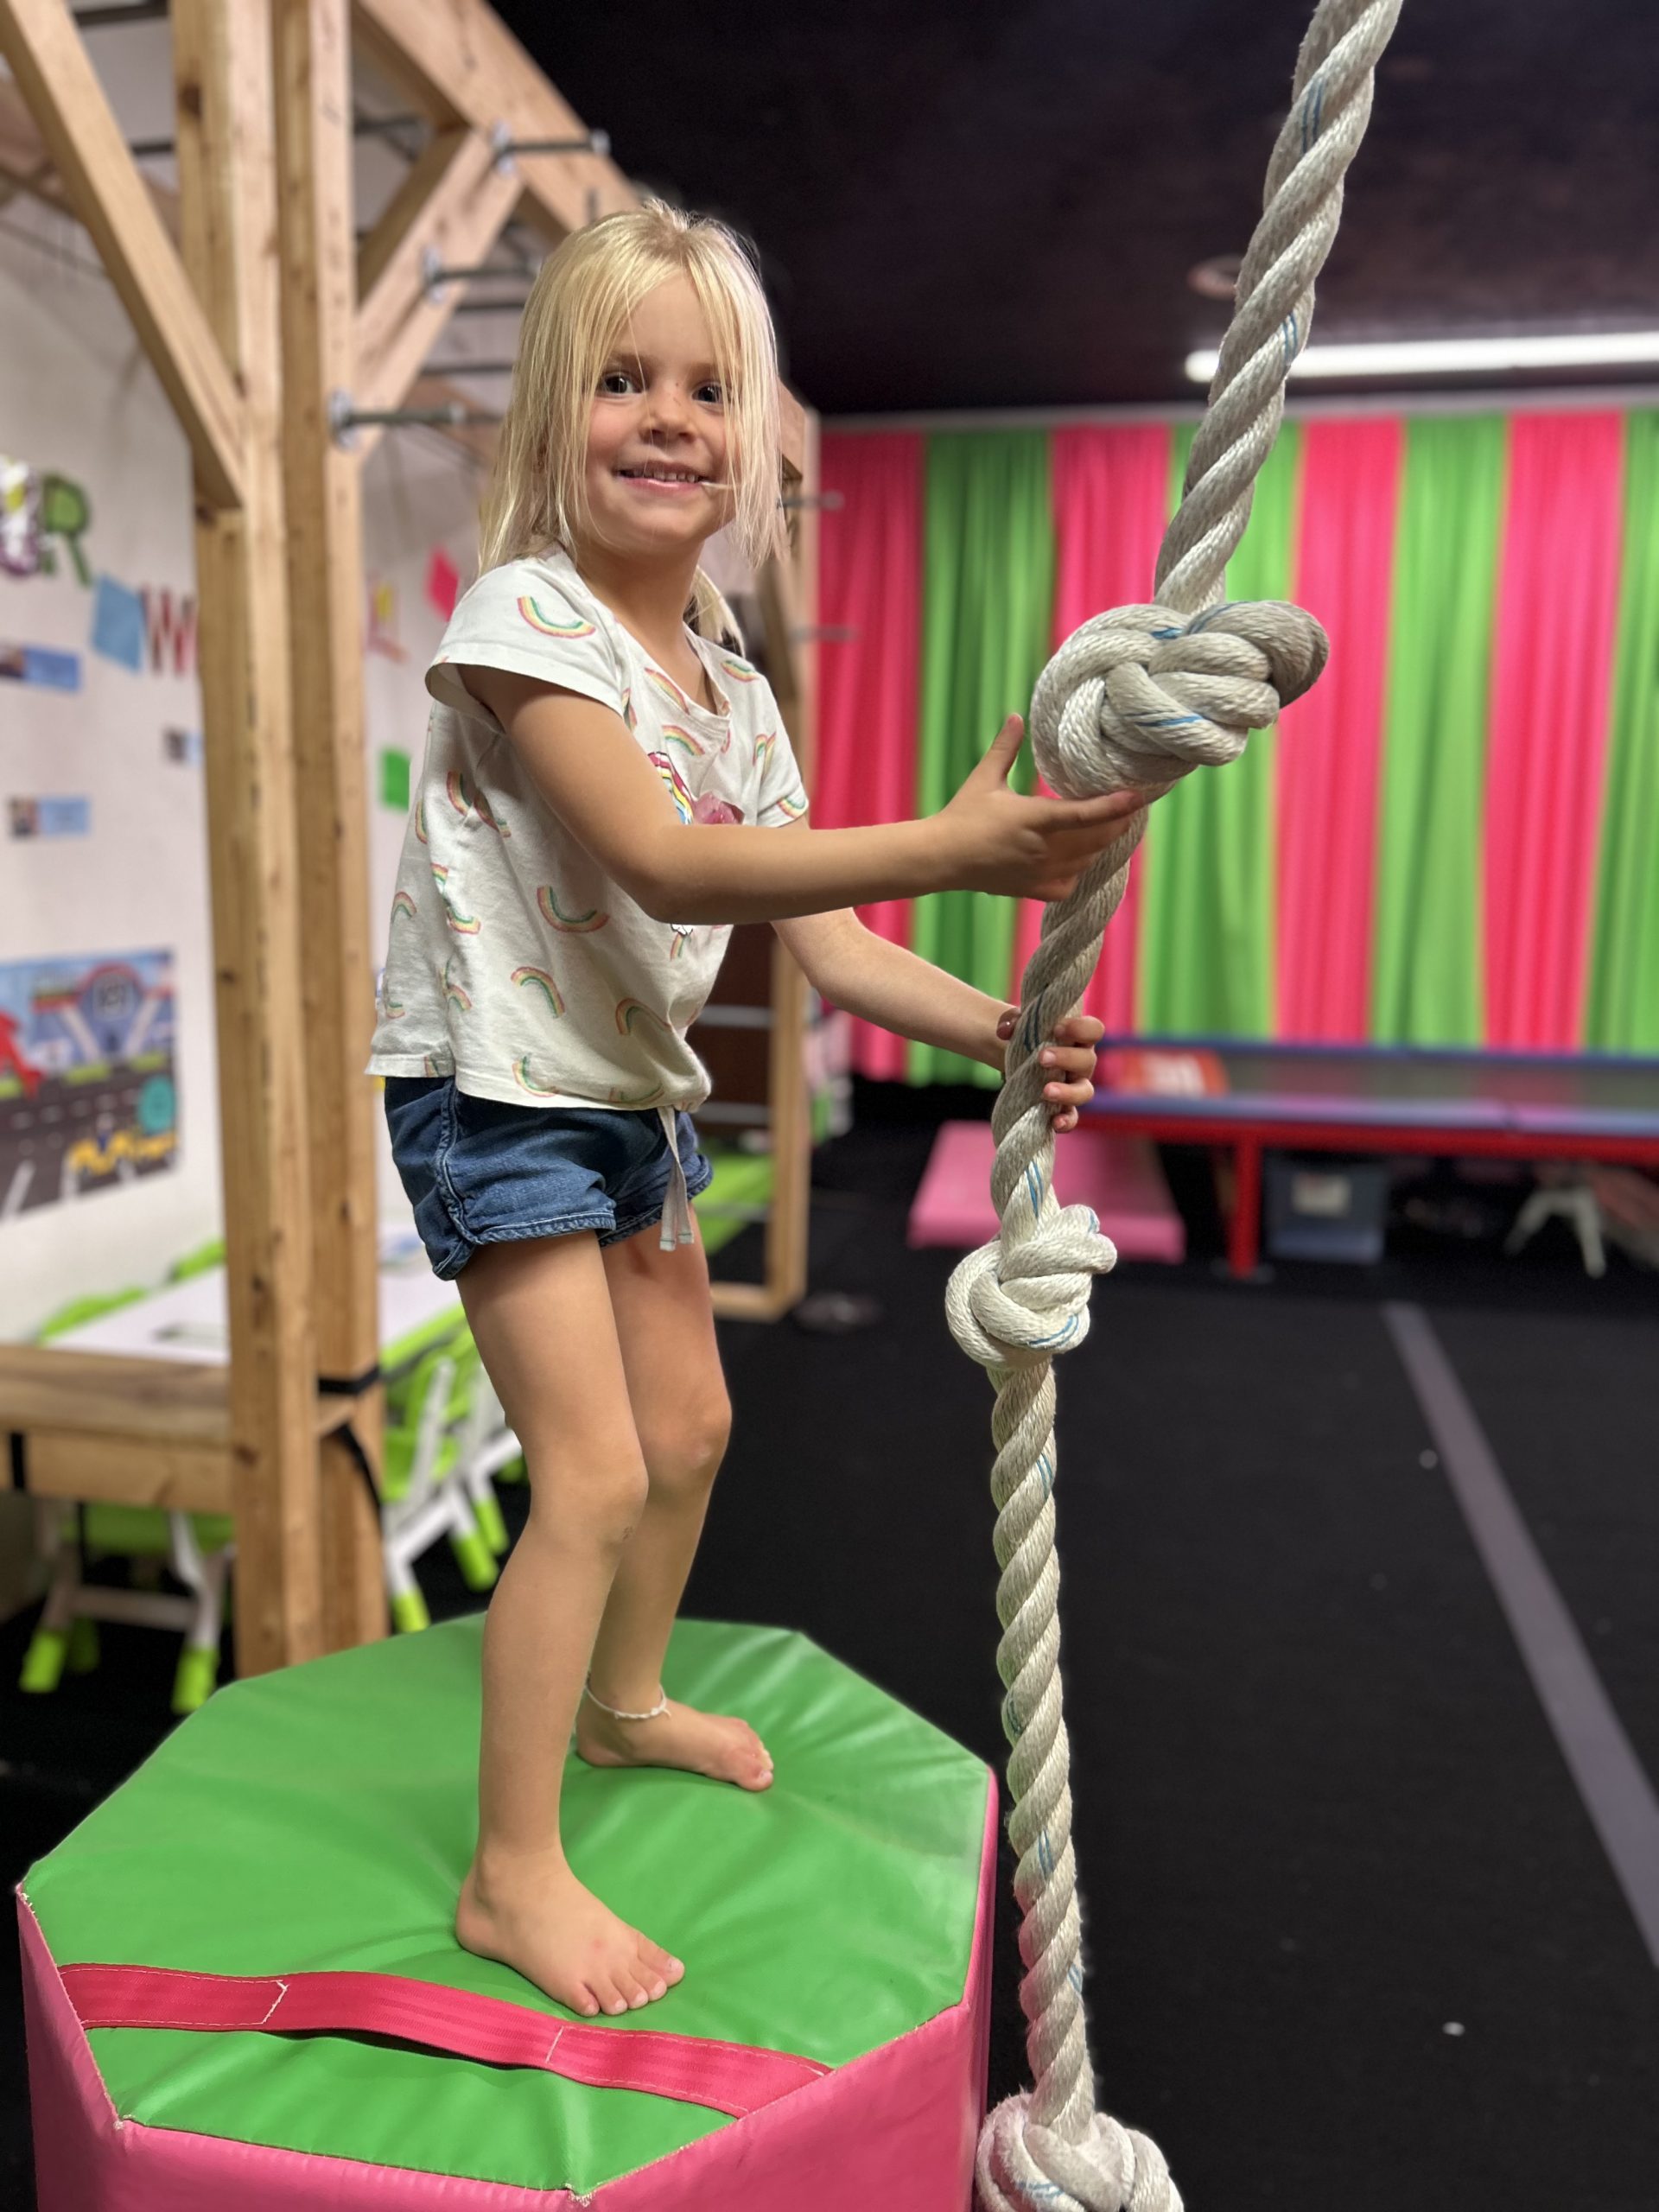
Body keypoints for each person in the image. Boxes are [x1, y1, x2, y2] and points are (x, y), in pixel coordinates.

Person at [366, 201, 1147, 2024]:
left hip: (629, 1095)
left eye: (709, 389)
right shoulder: (526, 619)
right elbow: (660, 854)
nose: (668, 416)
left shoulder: (731, 686)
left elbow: (834, 947)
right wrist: (950, 843)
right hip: (497, 1092)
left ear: (754, 448)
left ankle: (624, 1703)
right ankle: (508, 1870)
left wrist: (1004, 1028)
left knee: (696, 1427)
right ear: (553, 415)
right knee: (591, 1470)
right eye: (621, 380)